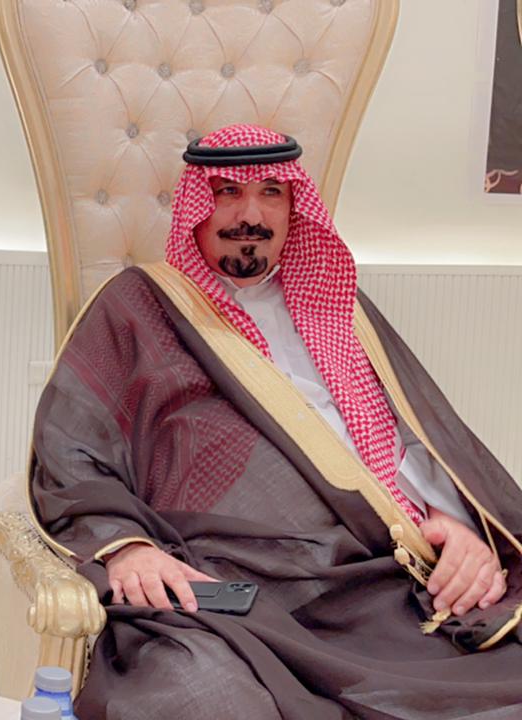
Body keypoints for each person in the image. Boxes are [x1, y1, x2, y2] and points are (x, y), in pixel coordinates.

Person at [30, 124, 522, 719]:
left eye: (271, 193)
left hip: (379, 582)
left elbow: (415, 433)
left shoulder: (340, 305)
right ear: (196, 205)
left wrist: (453, 520)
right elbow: (73, 450)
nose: (250, 215)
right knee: (199, 696)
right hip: (236, 584)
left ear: (294, 209)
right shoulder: (138, 306)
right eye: (228, 192)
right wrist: (127, 549)